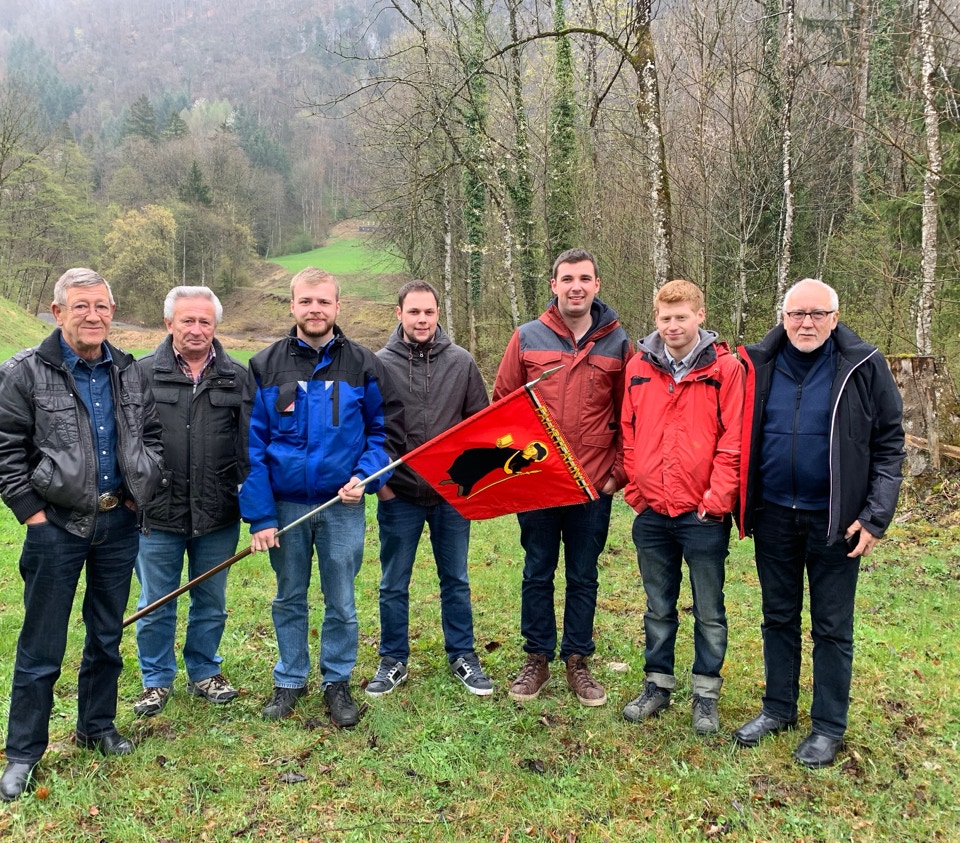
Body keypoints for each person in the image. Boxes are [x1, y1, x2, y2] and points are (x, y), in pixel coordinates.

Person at [0, 268, 163, 802]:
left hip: (119, 525)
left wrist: (141, 487)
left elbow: (151, 436)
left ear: (112, 312)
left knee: (106, 636)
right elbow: (6, 448)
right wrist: (32, 514)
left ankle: (96, 727)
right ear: (58, 312)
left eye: (101, 307)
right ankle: (23, 753)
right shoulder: (24, 372)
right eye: (81, 306)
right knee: (42, 644)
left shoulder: (129, 370)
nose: (93, 316)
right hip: (57, 527)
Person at [733, 278, 904, 768]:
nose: (806, 323)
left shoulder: (863, 366)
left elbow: (890, 444)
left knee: (831, 627)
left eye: (817, 314)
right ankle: (778, 708)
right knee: (778, 617)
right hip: (773, 516)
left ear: (835, 317)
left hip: (837, 521)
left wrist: (874, 517)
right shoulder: (758, 363)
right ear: (783, 317)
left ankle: (828, 726)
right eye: (797, 314)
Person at [240, 267, 403, 728]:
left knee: (342, 601)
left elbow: (384, 433)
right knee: (289, 596)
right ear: (293, 305)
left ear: (337, 306)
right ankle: (290, 679)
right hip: (286, 506)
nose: (315, 310)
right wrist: (260, 516)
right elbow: (250, 447)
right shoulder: (264, 365)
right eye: (306, 301)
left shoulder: (364, 364)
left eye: (324, 302)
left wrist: (364, 477)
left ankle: (337, 680)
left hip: (341, 505)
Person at [493, 247, 631, 707]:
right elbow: (503, 405)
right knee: (537, 571)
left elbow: (629, 415)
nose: (576, 286)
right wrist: (517, 472)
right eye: (567, 279)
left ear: (596, 285)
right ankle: (537, 657)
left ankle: (577, 659)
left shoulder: (617, 343)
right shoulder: (527, 337)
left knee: (583, 575)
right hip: (538, 481)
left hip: (592, 483)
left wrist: (616, 474)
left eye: (584, 279)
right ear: (553, 285)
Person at [619, 280, 744, 734]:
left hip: (702, 515)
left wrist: (716, 500)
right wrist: (636, 491)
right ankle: (657, 684)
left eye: (682, 317)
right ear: (656, 318)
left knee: (709, 610)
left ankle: (706, 692)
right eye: (665, 318)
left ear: (700, 316)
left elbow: (733, 440)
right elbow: (628, 433)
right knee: (658, 607)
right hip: (653, 512)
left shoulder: (725, 369)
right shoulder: (638, 367)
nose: (673, 326)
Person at [366, 280, 493, 698]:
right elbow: (371, 430)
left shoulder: (461, 362)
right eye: (414, 312)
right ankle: (392, 659)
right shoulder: (379, 364)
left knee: (455, 578)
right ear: (399, 313)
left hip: (450, 495)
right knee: (393, 582)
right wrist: (384, 489)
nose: (422, 320)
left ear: (438, 313)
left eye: (429, 312)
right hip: (399, 494)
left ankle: (462, 654)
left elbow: (479, 427)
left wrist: (467, 484)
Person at [132, 286, 247, 717]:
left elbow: (248, 445)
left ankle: (204, 670)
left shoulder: (237, 377)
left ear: (215, 326)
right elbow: (128, 442)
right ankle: (156, 680)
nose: (196, 329)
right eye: (187, 320)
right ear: (169, 323)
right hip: (157, 512)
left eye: (204, 321)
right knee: (156, 602)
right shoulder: (140, 373)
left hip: (218, 512)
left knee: (211, 601)